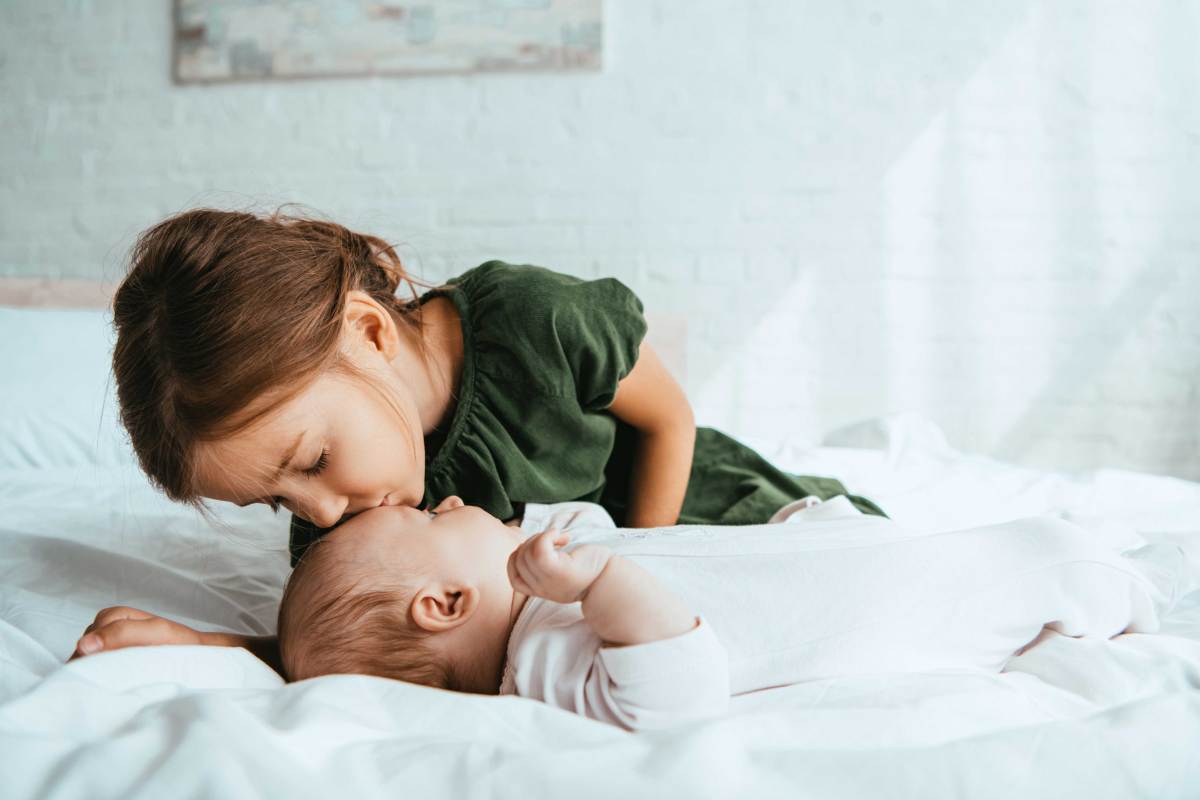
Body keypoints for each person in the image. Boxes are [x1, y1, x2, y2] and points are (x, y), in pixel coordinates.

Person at [71, 207, 883, 670]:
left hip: (686, 515)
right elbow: (368, 646)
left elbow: (669, 419)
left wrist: (641, 559)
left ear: (370, 335)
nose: (317, 514)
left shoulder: (537, 320)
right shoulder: (353, 522)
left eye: (313, 461)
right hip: (602, 622)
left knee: (845, 597)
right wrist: (207, 644)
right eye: (274, 499)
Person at [277, 498, 1172, 730]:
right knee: (1045, 558)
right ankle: (1144, 584)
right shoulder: (540, 669)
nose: (453, 500)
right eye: (433, 519)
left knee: (856, 540)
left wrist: (567, 554)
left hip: (808, 571)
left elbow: (592, 527)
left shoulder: (528, 595)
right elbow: (675, 690)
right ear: (445, 605)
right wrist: (594, 584)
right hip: (882, 608)